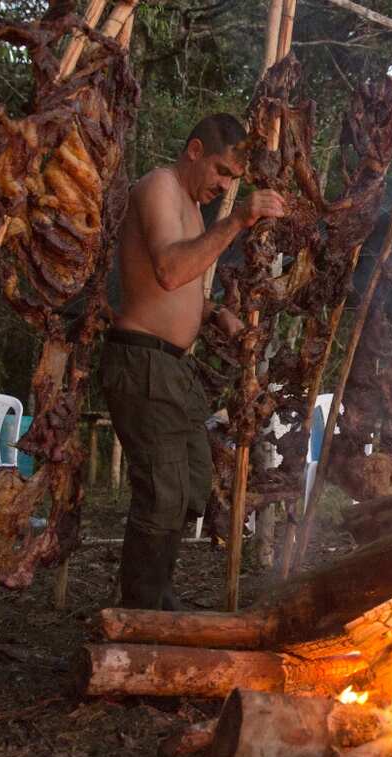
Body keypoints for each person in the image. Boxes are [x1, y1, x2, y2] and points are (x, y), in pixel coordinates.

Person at [102, 113, 286, 609]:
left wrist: (216, 314)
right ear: (195, 150)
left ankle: (157, 594)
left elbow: (177, 289)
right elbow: (168, 270)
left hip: (173, 367)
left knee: (192, 481)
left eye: (233, 180)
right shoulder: (160, 186)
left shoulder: (189, 203)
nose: (225, 185)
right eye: (222, 172)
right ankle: (141, 611)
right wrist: (237, 219)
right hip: (142, 361)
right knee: (162, 492)